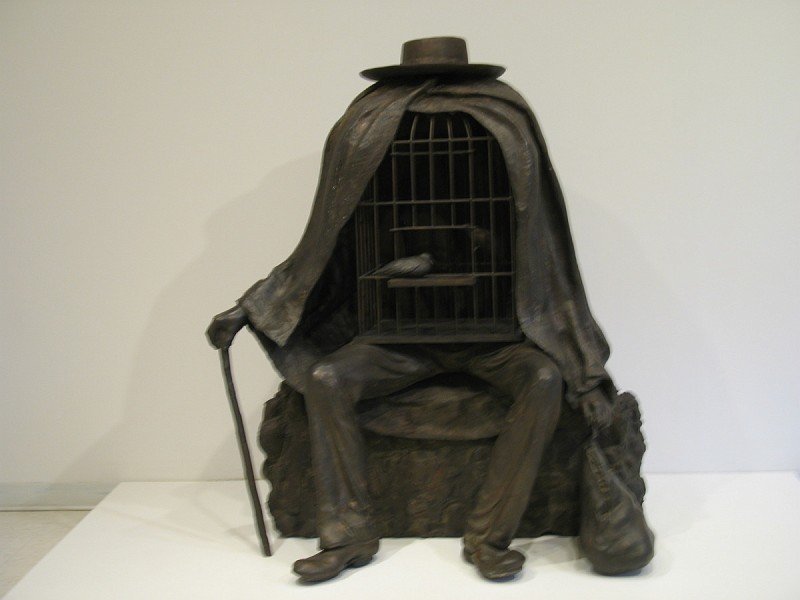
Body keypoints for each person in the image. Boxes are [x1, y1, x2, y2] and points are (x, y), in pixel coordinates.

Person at [207, 37, 617, 582]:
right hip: (398, 336)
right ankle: (347, 536)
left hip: (495, 337)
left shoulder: (501, 121)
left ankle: (490, 536)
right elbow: (321, 242)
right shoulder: (373, 125)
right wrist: (249, 308)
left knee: (543, 379)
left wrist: (579, 367)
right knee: (328, 379)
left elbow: (545, 248)